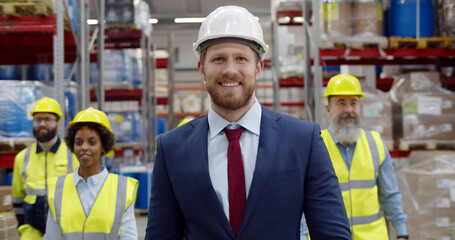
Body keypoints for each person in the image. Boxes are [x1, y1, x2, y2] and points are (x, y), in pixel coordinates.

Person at [145, 5, 351, 239]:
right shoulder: (171, 148)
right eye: (218, 59)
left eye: (241, 58)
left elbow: (333, 234)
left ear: (258, 68)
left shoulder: (303, 140)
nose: (230, 70)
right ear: (202, 70)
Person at [302, 73, 408, 240]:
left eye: (354, 103)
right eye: (341, 103)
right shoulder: (315, 145)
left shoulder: (376, 144)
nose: (349, 110)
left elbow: (390, 195)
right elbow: (302, 202)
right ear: (328, 109)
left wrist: (401, 233)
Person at [43, 107, 139, 240]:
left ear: (103, 146)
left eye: (92, 142)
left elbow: (128, 237)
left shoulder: (121, 189)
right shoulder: (58, 188)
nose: (84, 147)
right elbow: (51, 237)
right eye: (78, 142)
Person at [12, 97, 79, 240]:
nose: (42, 124)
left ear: (58, 124)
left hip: (65, 232)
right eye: (38, 119)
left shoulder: (73, 156)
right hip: (32, 231)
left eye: (48, 119)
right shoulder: (22, 158)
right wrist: (23, 228)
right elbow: (17, 199)